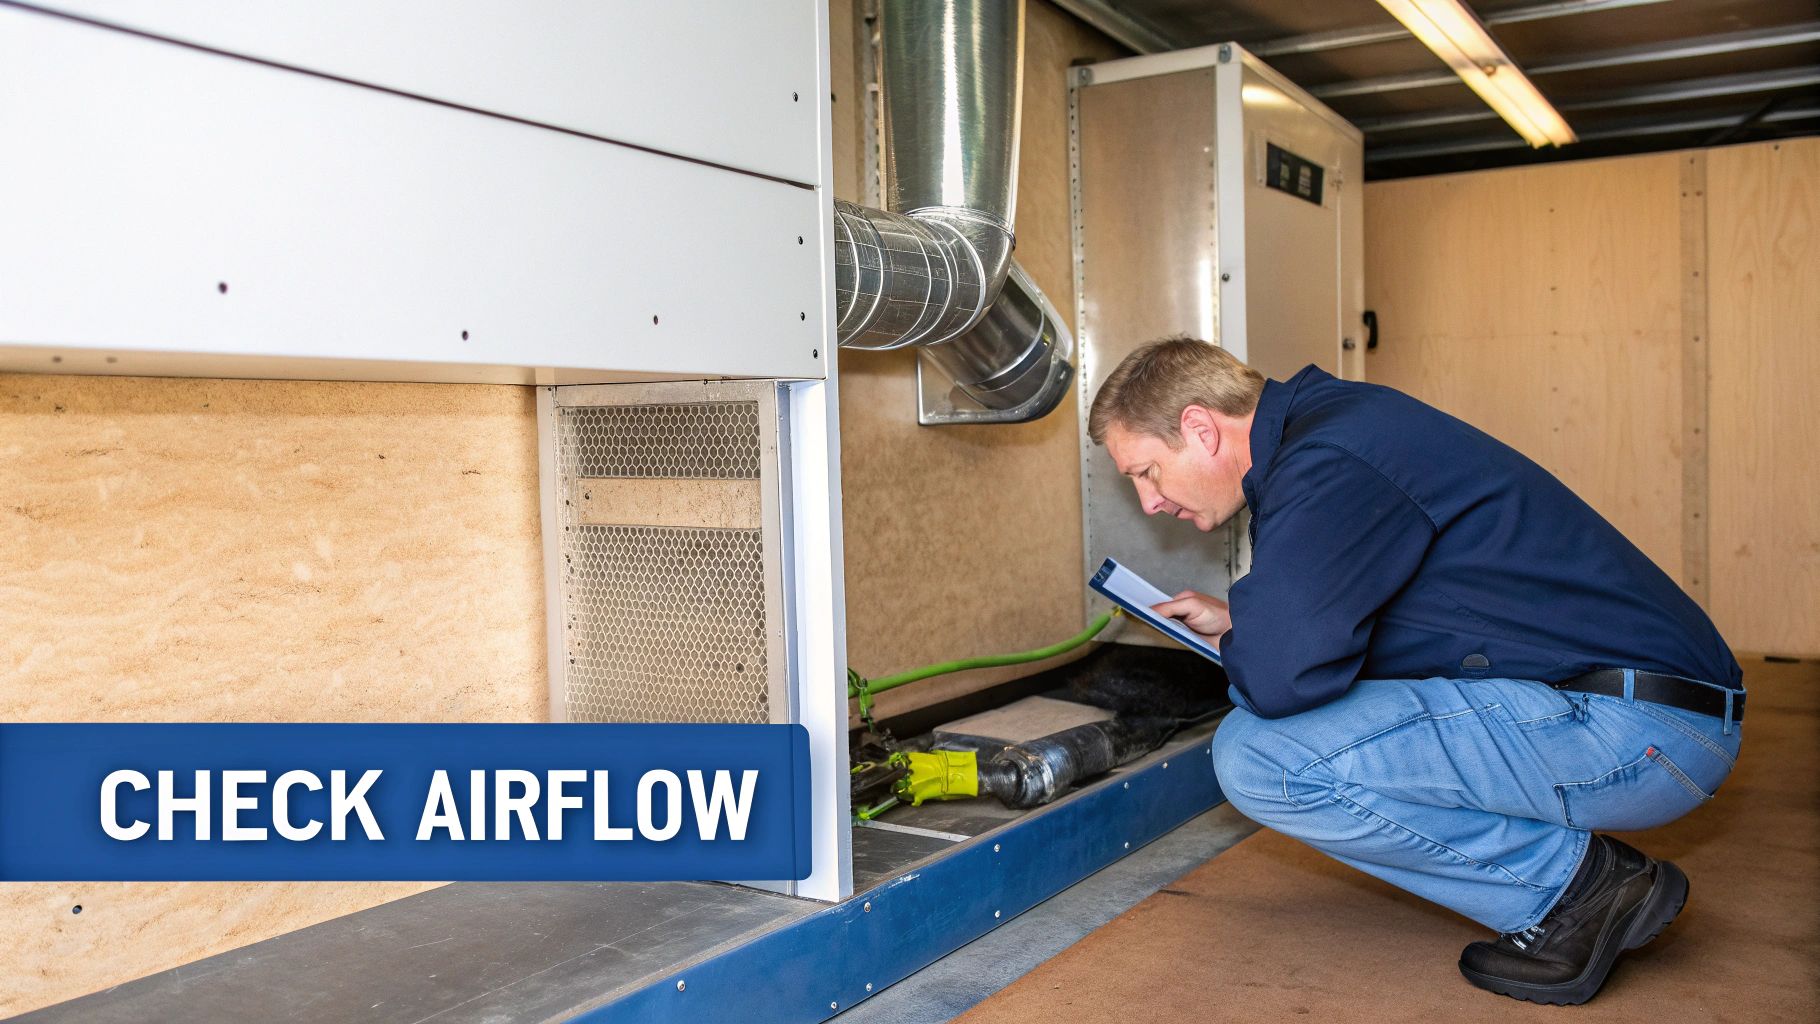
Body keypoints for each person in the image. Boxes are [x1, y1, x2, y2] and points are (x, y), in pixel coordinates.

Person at [1086, 337, 1745, 1006]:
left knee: (1260, 756)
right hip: (1654, 713)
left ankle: (1577, 889)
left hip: (1642, 732)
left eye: (1147, 472)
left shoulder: (1327, 461)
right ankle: (1577, 876)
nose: (1149, 502)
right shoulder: (1337, 430)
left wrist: (1259, 641)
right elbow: (1389, 619)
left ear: (1201, 428)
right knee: (1294, 720)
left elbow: (1281, 681)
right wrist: (1240, 622)